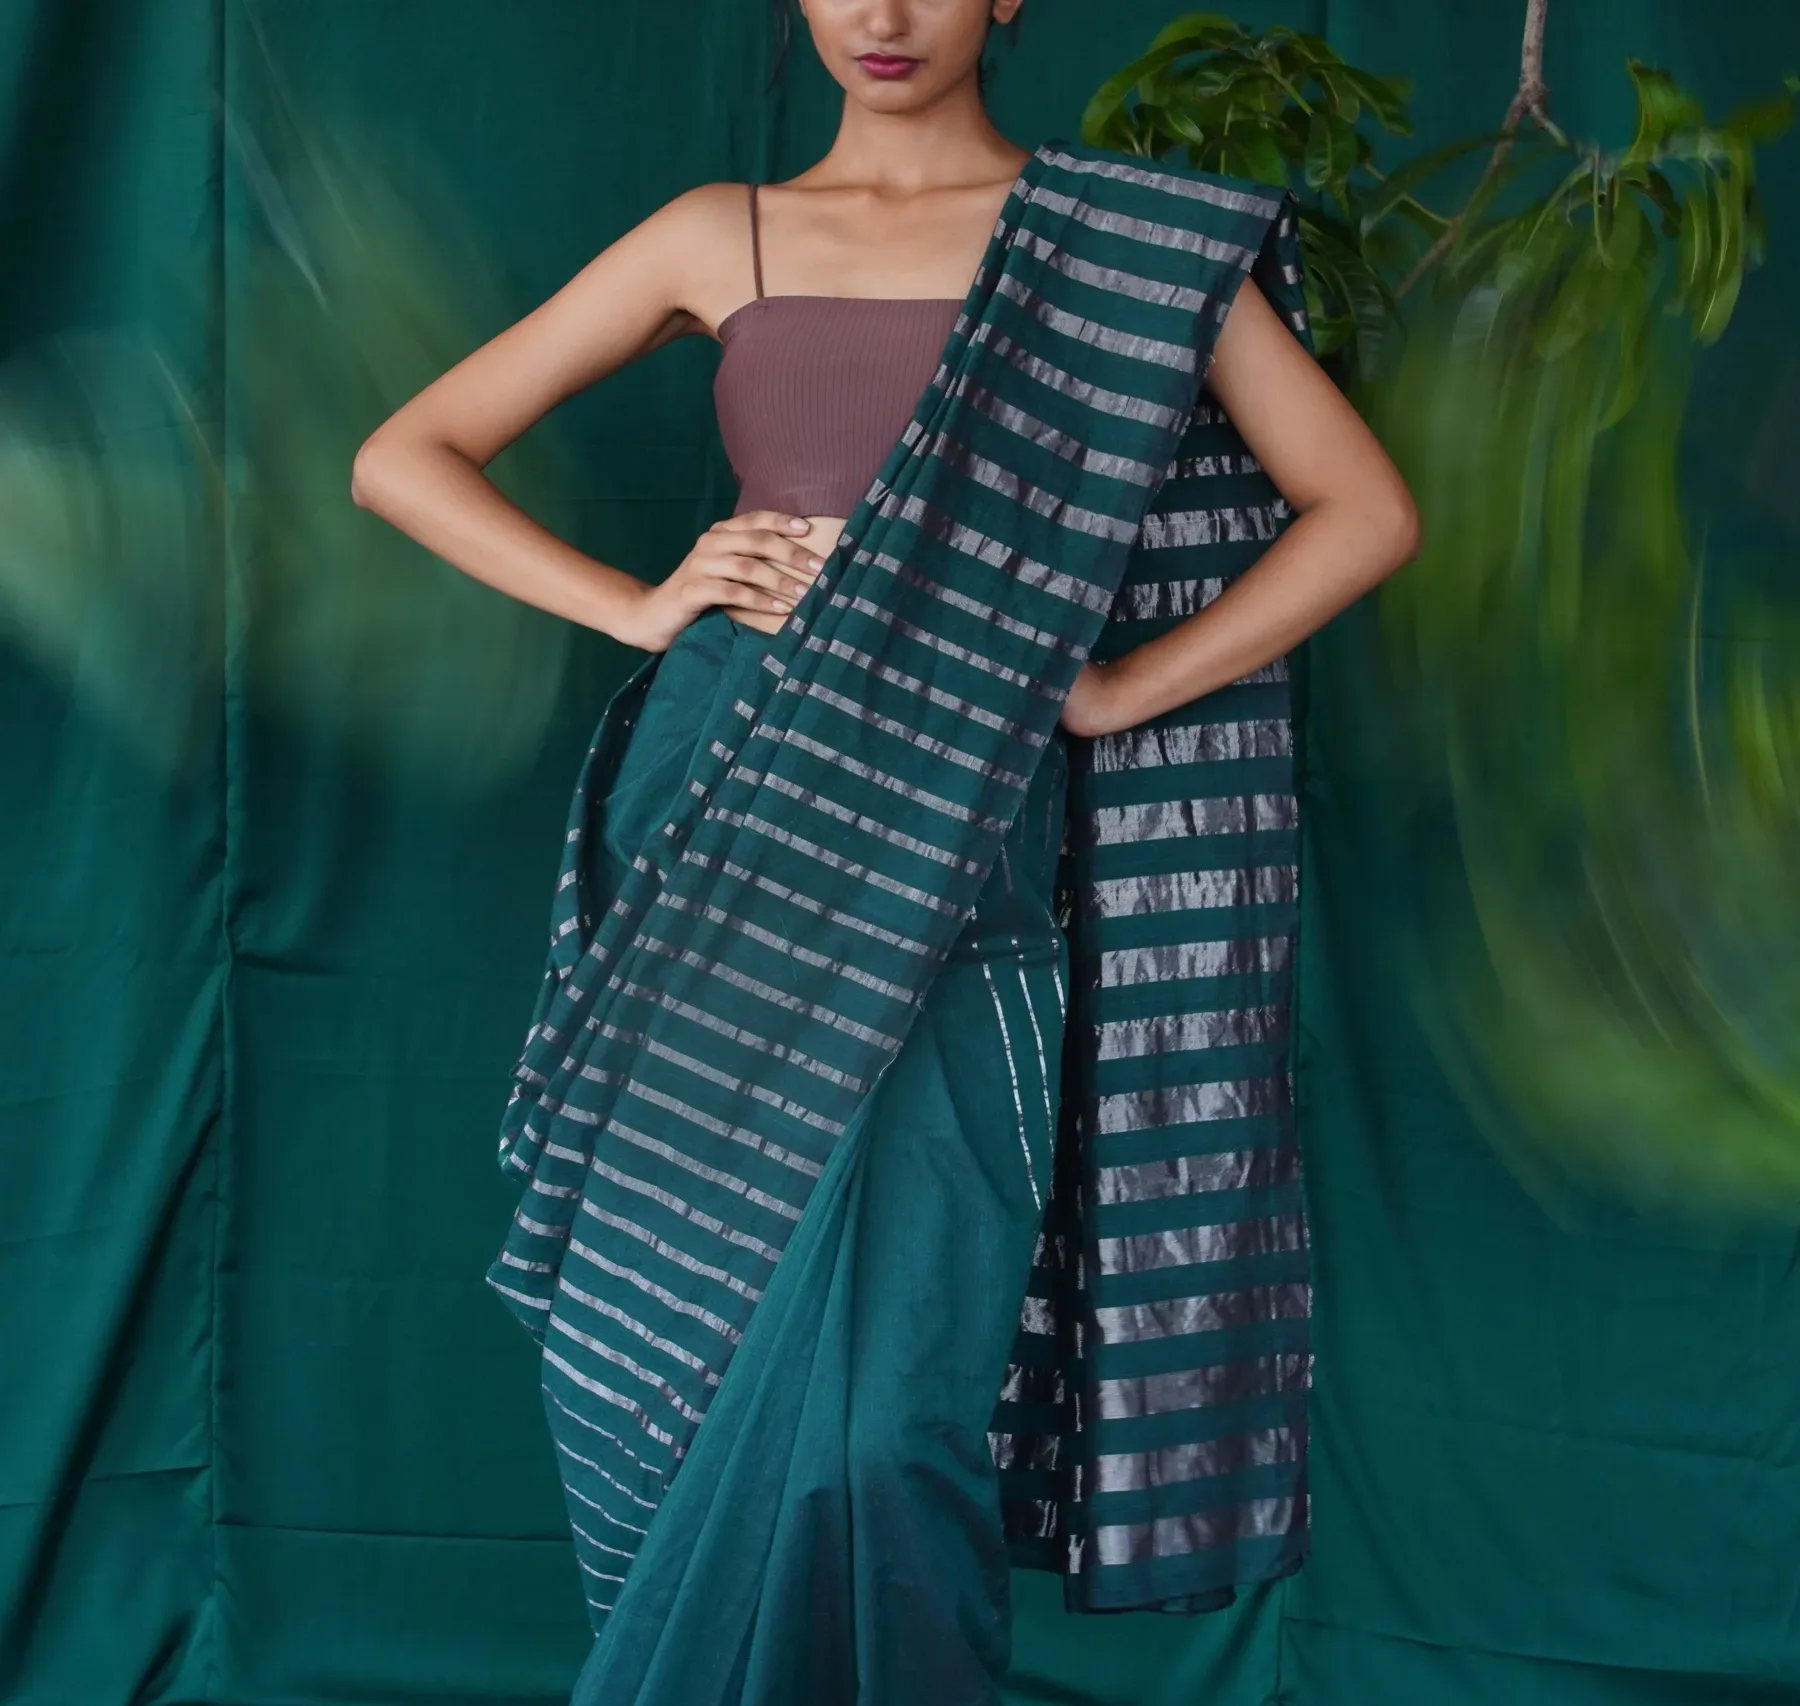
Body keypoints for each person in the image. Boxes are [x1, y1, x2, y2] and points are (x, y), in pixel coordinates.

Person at [352, 2, 1419, 1700]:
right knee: (658, 1354)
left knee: (889, 1417)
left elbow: (1366, 509)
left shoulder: (1116, 249)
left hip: (969, 827)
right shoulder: (720, 232)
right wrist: (637, 602)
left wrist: (1116, 685)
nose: (884, 12)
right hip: (724, 812)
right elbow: (400, 455)